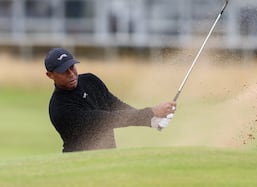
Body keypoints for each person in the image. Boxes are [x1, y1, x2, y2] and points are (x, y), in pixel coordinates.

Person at [44, 48, 176, 152]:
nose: (71, 74)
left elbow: (115, 105)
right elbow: (105, 120)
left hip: (109, 157)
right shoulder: (59, 108)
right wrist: (151, 112)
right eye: (63, 71)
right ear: (50, 75)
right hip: (81, 163)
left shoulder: (90, 80)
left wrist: (151, 120)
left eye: (72, 67)